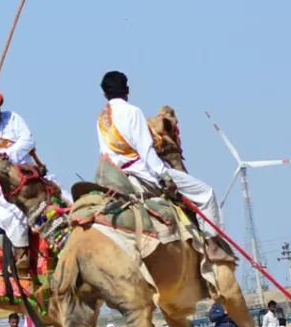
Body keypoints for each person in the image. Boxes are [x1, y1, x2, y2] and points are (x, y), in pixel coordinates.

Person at [97, 71, 232, 263]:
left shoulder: (102, 119)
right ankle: (212, 246)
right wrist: (165, 177)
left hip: (118, 177)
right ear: (127, 90)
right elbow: (146, 150)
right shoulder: (132, 112)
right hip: (143, 176)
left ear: (104, 94)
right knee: (206, 193)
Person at [0, 91, 66, 273]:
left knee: (66, 199)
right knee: (15, 216)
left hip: (31, 177)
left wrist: (7, 155)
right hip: (2, 190)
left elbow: (28, 141)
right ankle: (22, 255)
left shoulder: (12, 119)